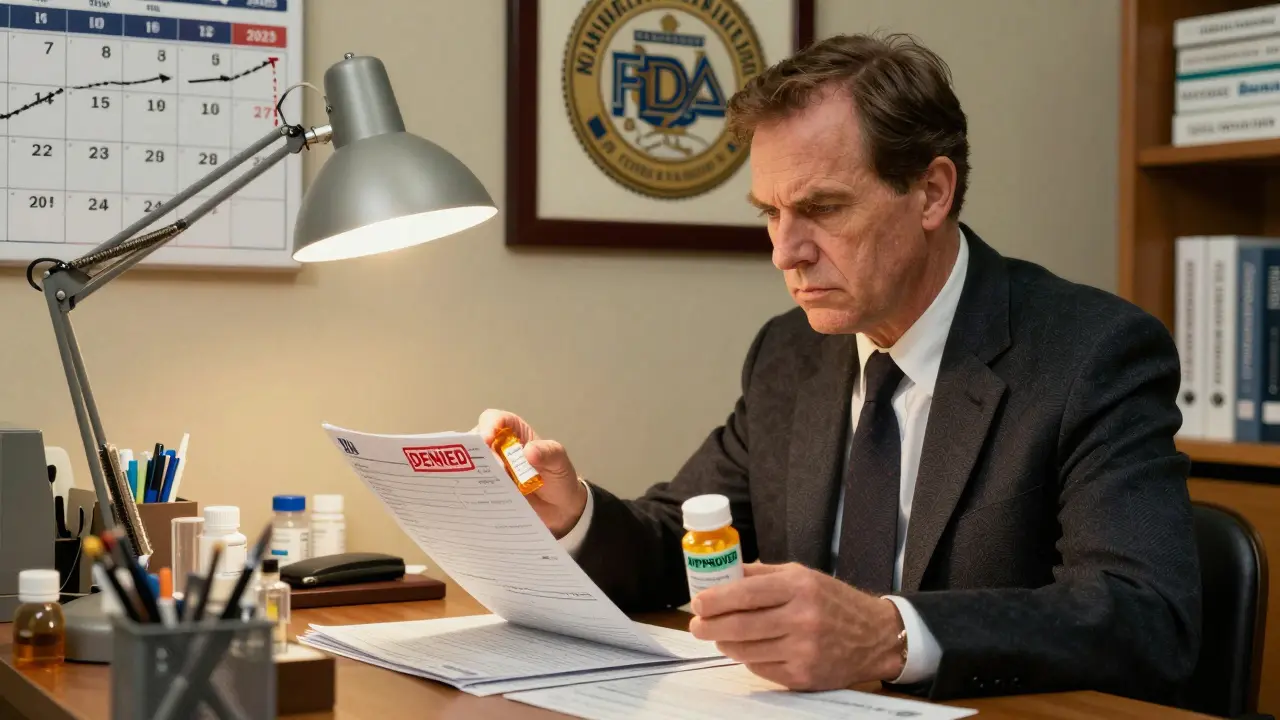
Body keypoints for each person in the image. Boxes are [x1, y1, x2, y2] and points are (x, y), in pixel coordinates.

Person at [473, 32, 1200, 704]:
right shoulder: (790, 353)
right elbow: (686, 544)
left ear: (932, 193)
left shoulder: (1092, 353)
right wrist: (574, 515)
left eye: (822, 208)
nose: (785, 252)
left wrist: (889, 634)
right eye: (770, 213)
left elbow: (1146, 615)